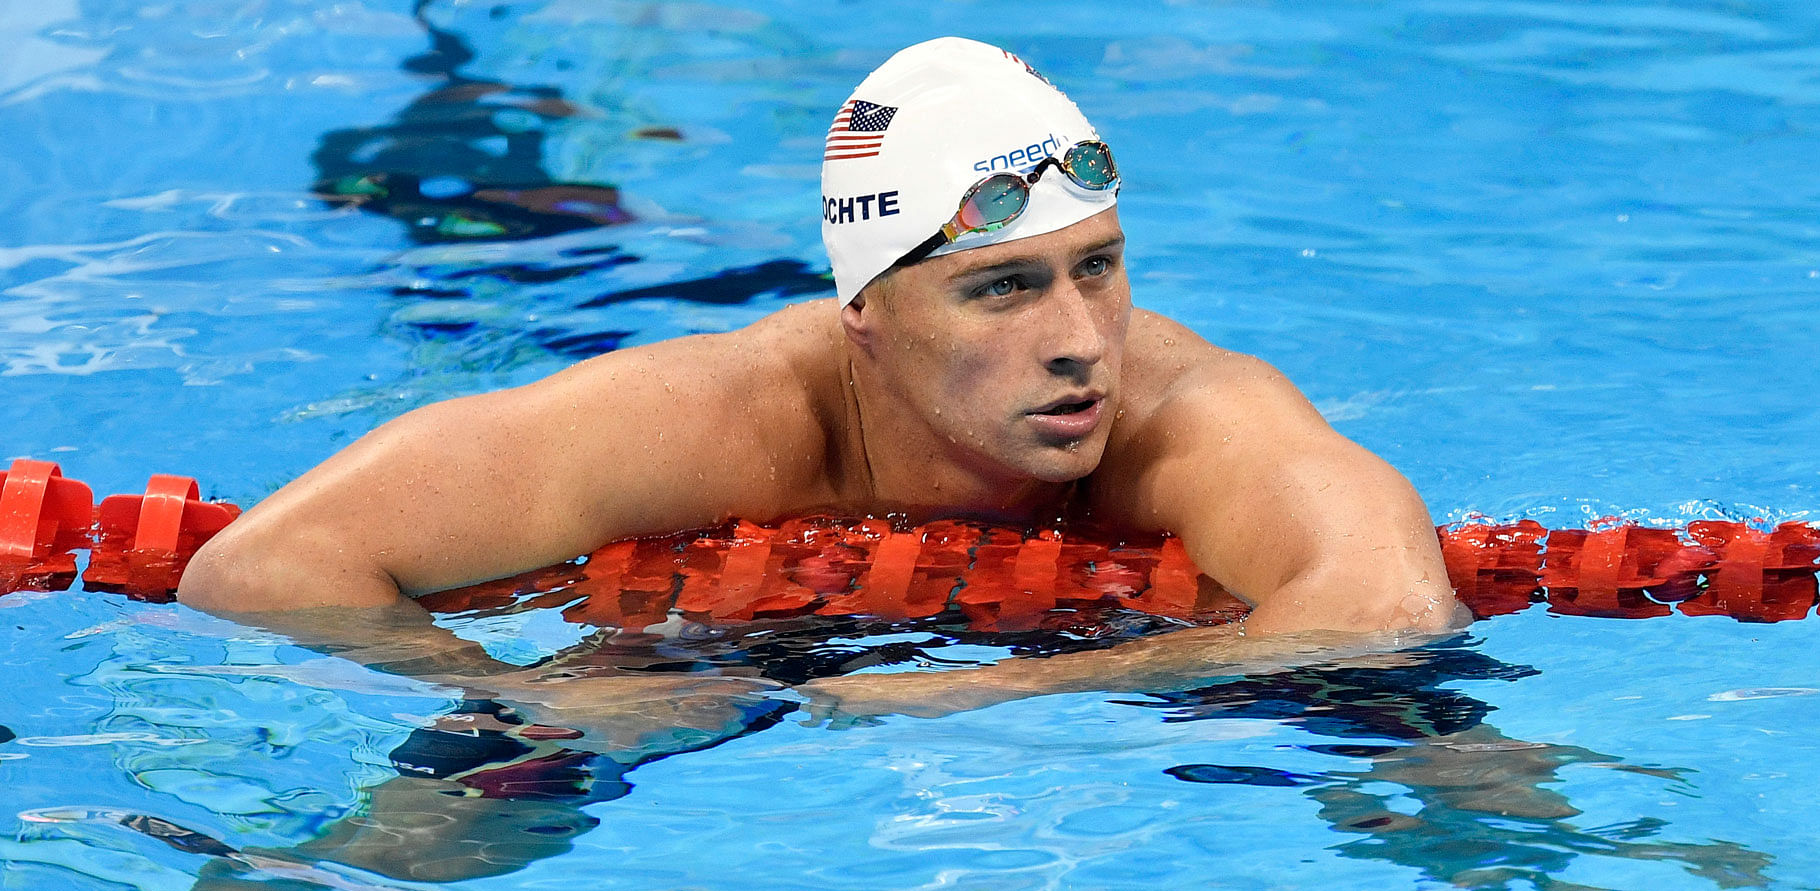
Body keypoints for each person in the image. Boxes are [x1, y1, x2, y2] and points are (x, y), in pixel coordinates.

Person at [178, 37, 1462, 669]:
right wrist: (530, 701)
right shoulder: (710, 418)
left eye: (1098, 268)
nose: (1083, 346)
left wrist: (994, 697)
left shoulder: (1184, 414)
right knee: (477, 804)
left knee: (1430, 757)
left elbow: (1385, 610)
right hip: (687, 621)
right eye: (1000, 288)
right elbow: (266, 568)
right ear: (865, 309)